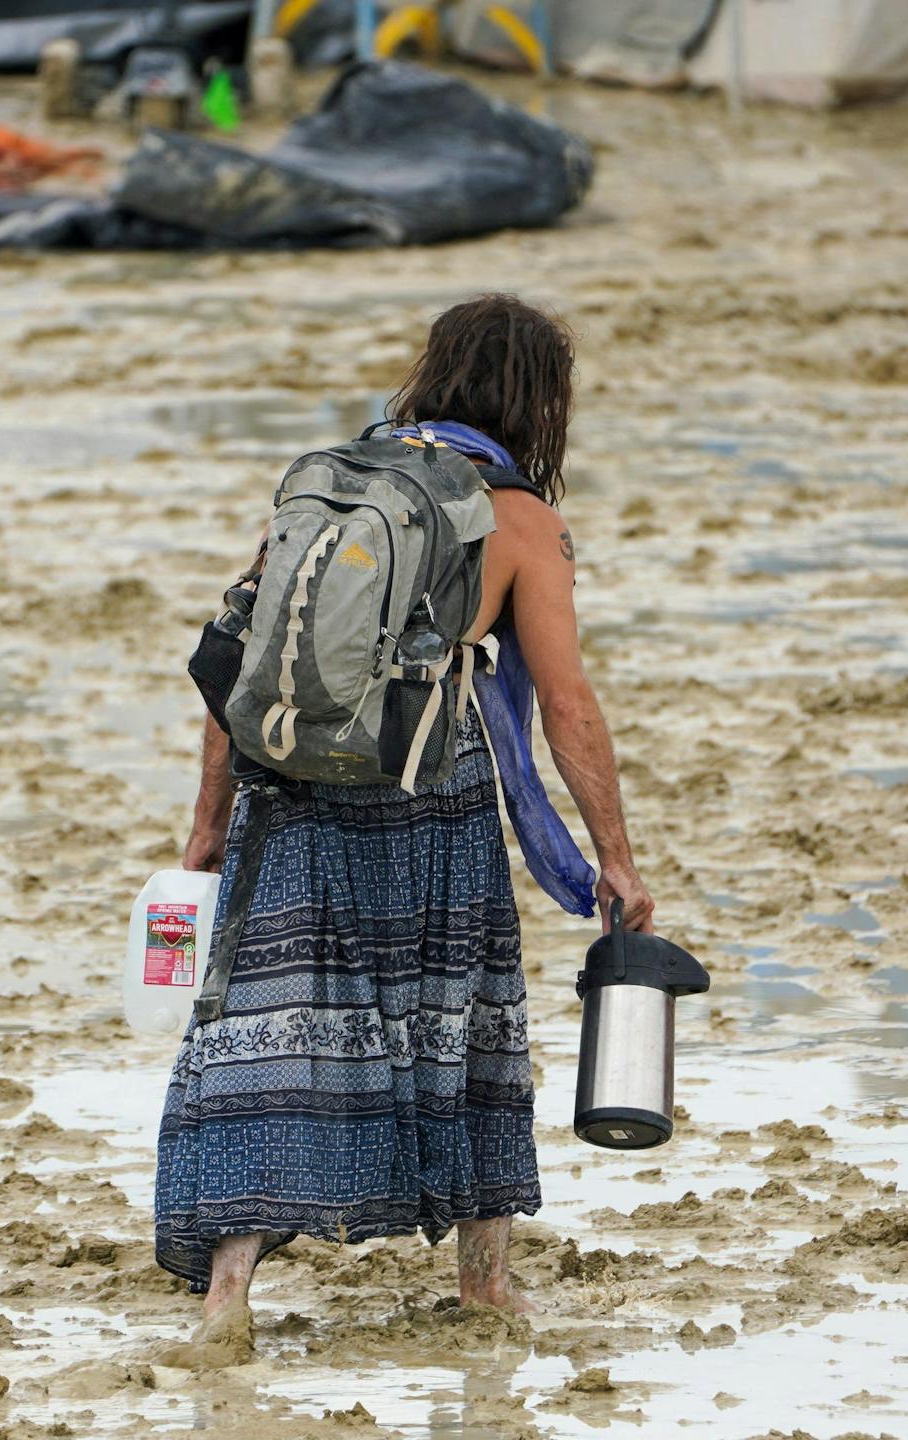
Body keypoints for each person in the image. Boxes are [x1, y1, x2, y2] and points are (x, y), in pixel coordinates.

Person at [153, 294, 655, 1362]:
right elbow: (565, 704)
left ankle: (225, 1300)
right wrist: (612, 856)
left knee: (273, 1024)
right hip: (432, 788)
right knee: (464, 1016)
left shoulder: (326, 482)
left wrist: (205, 826)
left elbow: (235, 663)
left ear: (434, 373)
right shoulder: (517, 521)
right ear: (537, 401)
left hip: (286, 788)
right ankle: (484, 1287)